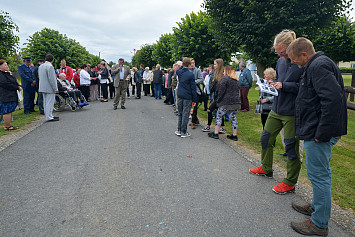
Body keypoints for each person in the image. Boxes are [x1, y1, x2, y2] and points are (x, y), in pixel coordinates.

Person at [286, 38, 347, 236]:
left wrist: (323, 132)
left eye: (294, 59)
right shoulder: (316, 64)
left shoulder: (318, 66)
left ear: (304, 54)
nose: (293, 63)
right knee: (318, 174)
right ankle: (316, 206)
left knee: (319, 175)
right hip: (315, 129)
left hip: (318, 132)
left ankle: (319, 223)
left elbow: (333, 100)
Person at [249, 29, 303, 194]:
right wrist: (271, 83)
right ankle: (266, 167)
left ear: (290, 48)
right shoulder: (280, 62)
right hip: (277, 107)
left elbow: (304, 87)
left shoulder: (301, 62)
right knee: (265, 138)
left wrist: (284, 85)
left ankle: (290, 182)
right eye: (277, 53)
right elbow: (281, 79)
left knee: (290, 147)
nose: (280, 56)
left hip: (292, 112)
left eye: (282, 52)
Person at [208, 65, 241, 141]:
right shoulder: (236, 80)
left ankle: (216, 133)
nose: (223, 72)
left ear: (227, 71)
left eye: (224, 71)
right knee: (233, 117)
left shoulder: (225, 79)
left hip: (225, 102)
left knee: (219, 116)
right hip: (235, 102)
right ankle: (234, 135)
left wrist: (218, 100)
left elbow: (221, 91)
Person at [202, 59, 226, 134]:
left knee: (210, 110)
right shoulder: (215, 73)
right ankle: (222, 127)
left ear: (219, 65)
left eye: (215, 64)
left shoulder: (223, 74)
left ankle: (209, 126)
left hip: (220, 97)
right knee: (219, 112)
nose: (214, 65)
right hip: (215, 96)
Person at [175, 58, 197, 138]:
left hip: (180, 94)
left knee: (180, 113)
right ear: (189, 65)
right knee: (185, 114)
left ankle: (179, 129)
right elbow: (193, 88)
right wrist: (194, 99)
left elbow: (179, 69)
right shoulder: (190, 74)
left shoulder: (179, 72)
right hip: (187, 96)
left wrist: (183, 66)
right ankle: (184, 131)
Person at [0, 60, 22, 130]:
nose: (7, 66)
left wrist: (18, 86)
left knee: (10, 110)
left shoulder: (6, 73)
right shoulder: (1, 75)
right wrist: (16, 87)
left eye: (7, 65)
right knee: (7, 111)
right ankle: (7, 126)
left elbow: (14, 81)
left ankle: (9, 125)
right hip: (6, 95)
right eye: (5, 65)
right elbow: (5, 83)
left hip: (11, 95)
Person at [38, 54, 59, 122]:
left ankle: (48, 115)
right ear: (52, 60)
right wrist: (55, 88)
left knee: (45, 102)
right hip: (49, 87)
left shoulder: (41, 66)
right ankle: (49, 116)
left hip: (42, 86)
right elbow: (52, 79)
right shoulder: (50, 66)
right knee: (50, 102)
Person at [190, 58, 204, 129]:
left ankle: (193, 122)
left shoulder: (197, 70)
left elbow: (201, 79)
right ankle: (195, 119)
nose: (192, 64)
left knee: (194, 107)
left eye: (193, 63)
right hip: (189, 92)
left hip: (196, 91)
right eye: (191, 63)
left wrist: (193, 82)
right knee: (190, 107)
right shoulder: (188, 70)